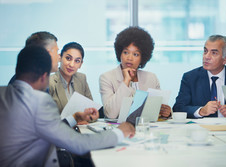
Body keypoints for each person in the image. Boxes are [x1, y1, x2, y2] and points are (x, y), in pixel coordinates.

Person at [0, 46, 135, 167]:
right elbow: (79, 144)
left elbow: (46, 126)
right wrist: (119, 132)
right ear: (44, 77)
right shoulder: (39, 100)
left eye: (77, 60)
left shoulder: (2, 92)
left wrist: (75, 117)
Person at [173, 35, 226, 118]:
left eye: (214, 53)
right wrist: (201, 111)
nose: (206, 57)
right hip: (201, 129)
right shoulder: (190, 77)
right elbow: (178, 108)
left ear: (225, 59)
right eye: (205, 51)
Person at [99, 26, 171, 119]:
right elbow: (110, 114)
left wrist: (167, 112)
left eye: (135, 54)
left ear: (143, 57)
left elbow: (159, 108)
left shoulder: (151, 78)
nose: (129, 58)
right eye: (125, 52)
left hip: (146, 129)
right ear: (119, 53)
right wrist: (126, 82)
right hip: (121, 130)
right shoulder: (106, 77)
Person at [49, 42, 93, 115]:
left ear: (81, 64)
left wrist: (92, 116)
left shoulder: (82, 78)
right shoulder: (50, 83)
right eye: (68, 58)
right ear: (60, 57)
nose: (72, 65)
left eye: (77, 61)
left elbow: (90, 110)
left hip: (81, 125)